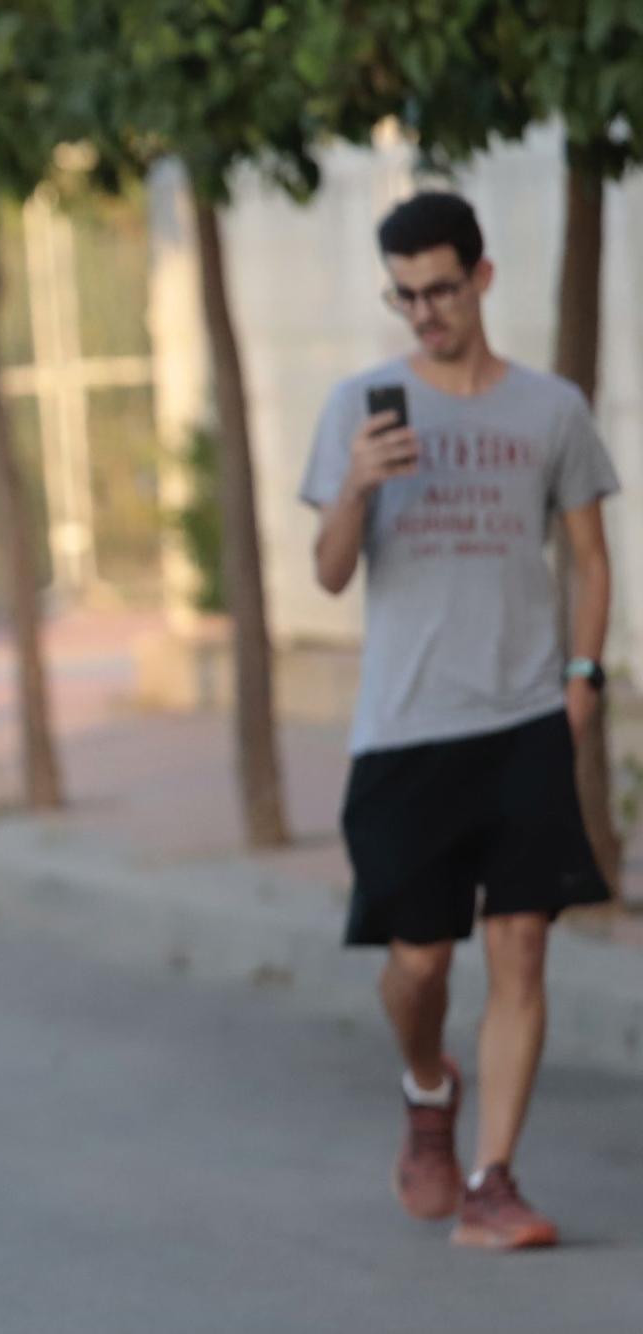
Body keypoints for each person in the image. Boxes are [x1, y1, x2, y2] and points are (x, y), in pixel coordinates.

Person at [302, 191, 617, 1250]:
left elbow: (587, 558)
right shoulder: (359, 403)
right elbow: (330, 574)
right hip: (402, 729)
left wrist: (579, 685)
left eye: (438, 289)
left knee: (520, 944)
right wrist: (352, 484)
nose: (422, 311)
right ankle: (426, 1081)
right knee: (420, 961)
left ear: (479, 278)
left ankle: (491, 1180)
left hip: (525, 713)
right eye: (403, 294)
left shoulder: (548, 408)